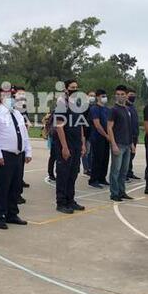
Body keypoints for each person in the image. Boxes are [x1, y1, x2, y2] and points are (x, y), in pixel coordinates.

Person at [0, 86, 32, 229]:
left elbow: (24, 134)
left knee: (15, 186)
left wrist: (28, 151)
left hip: (17, 155)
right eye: (8, 96)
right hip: (4, 155)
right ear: (1, 98)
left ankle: (12, 214)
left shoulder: (17, 114)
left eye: (13, 97)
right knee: (2, 186)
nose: (12, 99)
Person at [53, 79, 86, 214]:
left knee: (73, 174)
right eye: (72, 87)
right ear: (66, 89)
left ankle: (70, 200)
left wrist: (83, 143)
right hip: (66, 145)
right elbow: (59, 125)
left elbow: (81, 124)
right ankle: (61, 202)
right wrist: (64, 147)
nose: (75, 89)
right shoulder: (62, 103)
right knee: (63, 174)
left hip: (77, 144)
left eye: (76, 87)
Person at [107, 85, 134, 202]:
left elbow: (129, 128)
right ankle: (114, 193)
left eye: (122, 94)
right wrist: (113, 144)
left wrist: (131, 143)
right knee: (115, 170)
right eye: (118, 94)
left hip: (127, 144)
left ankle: (122, 191)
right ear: (115, 96)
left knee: (124, 170)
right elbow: (109, 128)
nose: (120, 96)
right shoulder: (114, 110)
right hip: (118, 144)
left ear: (126, 95)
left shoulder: (127, 110)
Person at [89, 89, 110, 188]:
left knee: (105, 158)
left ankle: (102, 177)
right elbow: (97, 125)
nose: (104, 98)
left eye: (105, 96)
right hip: (97, 137)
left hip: (106, 138)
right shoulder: (94, 109)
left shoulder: (106, 109)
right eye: (102, 96)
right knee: (97, 158)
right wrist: (106, 135)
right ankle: (94, 179)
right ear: (97, 97)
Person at [125, 89, 141, 180]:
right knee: (128, 155)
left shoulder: (133, 107)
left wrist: (137, 135)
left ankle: (129, 171)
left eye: (134, 95)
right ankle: (125, 173)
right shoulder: (126, 107)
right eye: (131, 94)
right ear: (126, 95)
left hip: (135, 134)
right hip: (128, 135)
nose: (132, 96)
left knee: (132, 155)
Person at [81, 90, 95, 176]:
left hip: (91, 132)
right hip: (85, 132)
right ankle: (86, 168)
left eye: (93, 95)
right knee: (86, 151)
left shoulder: (93, 107)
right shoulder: (84, 107)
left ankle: (90, 167)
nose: (92, 97)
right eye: (90, 95)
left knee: (90, 152)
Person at [41, 112, 56, 182]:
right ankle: (51, 174)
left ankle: (51, 173)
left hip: (53, 135)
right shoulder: (54, 113)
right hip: (54, 136)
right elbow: (44, 120)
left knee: (53, 157)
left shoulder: (54, 112)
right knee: (53, 156)